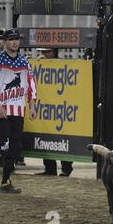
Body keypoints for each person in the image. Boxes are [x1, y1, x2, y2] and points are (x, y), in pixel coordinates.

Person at [0, 28, 37, 194]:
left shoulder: (24, 62)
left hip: (18, 110)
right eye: (12, 39)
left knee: (13, 147)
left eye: (17, 39)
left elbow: (31, 84)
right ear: (4, 42)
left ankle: (5, 182)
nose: (15, 42)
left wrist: (32, 104)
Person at [35, 48, 74, 177]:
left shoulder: (63, 65)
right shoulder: (41, 64)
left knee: (64, 138)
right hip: (48, 109)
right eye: (43, 52)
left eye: (48, 52)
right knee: (47, 135)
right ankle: (50, 168)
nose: (44, 54)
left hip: (62, 108)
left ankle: (66, 168)